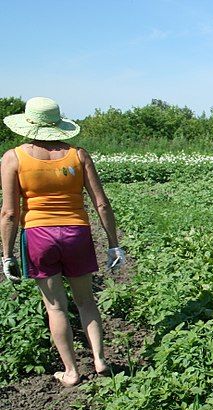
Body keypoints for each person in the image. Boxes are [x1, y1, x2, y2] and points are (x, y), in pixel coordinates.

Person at [1, 96, 126, 386]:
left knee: (56, 307)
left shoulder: (13, 158)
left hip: (38, 236)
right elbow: (102, 204)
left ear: (28, 124)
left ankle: (71, 372)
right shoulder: (78, 155)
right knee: (85, 301)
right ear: (58, 125)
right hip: (76, 234)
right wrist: (113, 243)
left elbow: (9, 212)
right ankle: (99, 360)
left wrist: (7, 255)